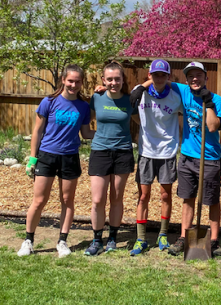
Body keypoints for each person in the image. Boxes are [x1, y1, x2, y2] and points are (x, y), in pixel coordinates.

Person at [18, 64, 95, 257]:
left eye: (77, 81)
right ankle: (28, 240)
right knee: (39, 200)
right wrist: (32, 159)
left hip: (70, 157)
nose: (73, 85)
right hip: (46, 155)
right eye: (70, 80)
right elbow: (37, 131)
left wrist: (108, 132)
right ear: (63, 80)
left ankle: (62, 241)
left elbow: (85, 133)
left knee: (67, 200)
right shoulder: (49, 102)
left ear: (81, 83)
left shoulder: (84, 106)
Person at [167, 61, 221, 257]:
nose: (195, 78)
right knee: (188, 198)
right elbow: (159, 80)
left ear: (206, 78)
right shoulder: (183, 91)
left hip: (209, 158)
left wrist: (207, 103)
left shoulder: (216, 100)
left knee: (211, 200)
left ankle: (214, 240)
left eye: (198, 75)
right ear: (186, 79)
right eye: (191, 75)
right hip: (187, 157)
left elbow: (212, 127)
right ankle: (185, 237)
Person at [127, 59, 183, 255]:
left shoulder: (176, 97)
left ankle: (163, 234)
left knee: (165, 195)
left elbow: (189, 112)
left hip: (167, 151)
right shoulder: (139, 92)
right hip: (146, 152)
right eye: (155, 74)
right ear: (150, 75)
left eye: (163, 75)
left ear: (168, 77)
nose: (159, 78)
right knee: (143, 195)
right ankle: (141, 238)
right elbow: (123, 100)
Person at [84, 61, 137, 256]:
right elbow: (86, 122)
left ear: (123, 80)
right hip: (100, 152)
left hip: (122, 152)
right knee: (97, 200)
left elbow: (142, 122)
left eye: (117, 79)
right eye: (110, 79)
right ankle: (97, 239)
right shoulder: (96, 98)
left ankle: (113, 238)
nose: (113, 82)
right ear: (103, 80)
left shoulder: (130, 100)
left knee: (116, 198)